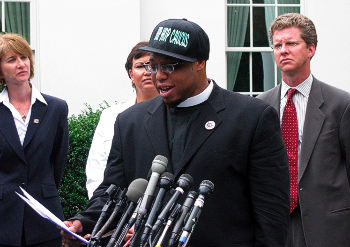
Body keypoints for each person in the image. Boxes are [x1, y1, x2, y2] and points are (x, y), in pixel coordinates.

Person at [62, 18, 289, 246]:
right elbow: (114, 190)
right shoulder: (130, 121)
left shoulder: (252, 118)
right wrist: (83, 221)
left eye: (170, 66)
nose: (159, 75)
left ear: (200, 63)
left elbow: (271, 214)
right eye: (154, 66)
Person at [257, 13, 350, 247]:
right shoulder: (259, 106)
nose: (283, 50)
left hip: (327, 226)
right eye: (278, 45)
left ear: (311, 49)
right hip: (274, 224)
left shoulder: (341, 104)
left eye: (291, 43)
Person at [0, 33, 69, 246]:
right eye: (12, 60)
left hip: (44, 217)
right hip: (3, 219)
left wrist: (42, 189)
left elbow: (58, 162)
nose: (21, 64)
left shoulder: (56, 108)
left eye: (24, 57)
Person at [85, 42, 158, 199]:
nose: (146, 71)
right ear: (131, 74)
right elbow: (96, 169)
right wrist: (101, 209)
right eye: (140, 66)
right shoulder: (111, 116)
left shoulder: (175, 115)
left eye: (151, 65)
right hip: (116, 207)